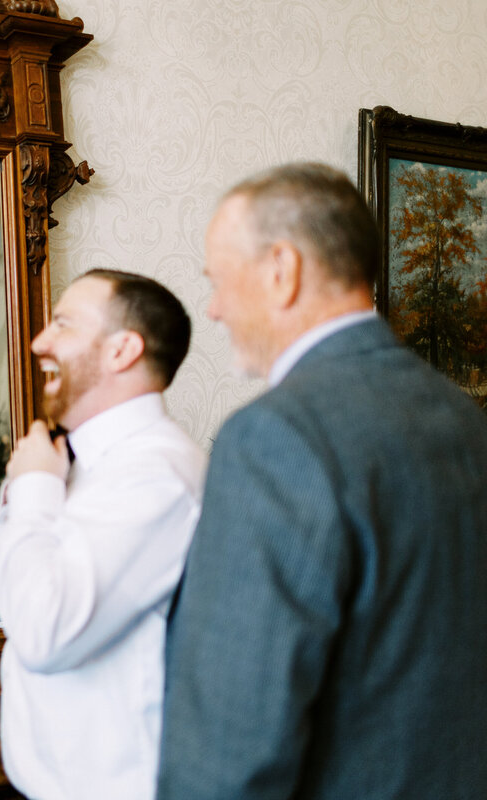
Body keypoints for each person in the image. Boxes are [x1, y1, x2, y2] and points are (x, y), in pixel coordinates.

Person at [156, 163, 487, 800]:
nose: (215, 308)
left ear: (282, 270)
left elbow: (230, 744)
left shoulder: (271, 439)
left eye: (219, 281)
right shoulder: (461, 414)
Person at [0, 269, 206, 800]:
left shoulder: (156, 474)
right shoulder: (72, 461)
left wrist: (35, 488)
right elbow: (15, 587)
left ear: (123, 349)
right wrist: (29, 488)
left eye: (63, 324)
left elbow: (42, 631)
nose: (40, 343)